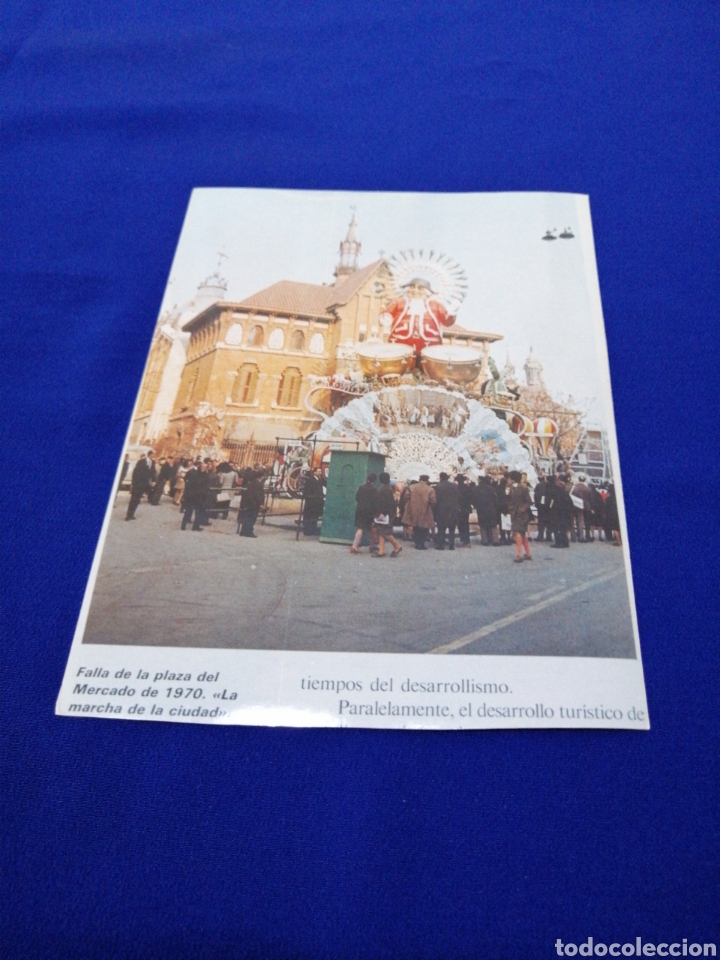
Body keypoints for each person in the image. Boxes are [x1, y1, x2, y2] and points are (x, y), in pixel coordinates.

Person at [379, 278, 456, 363]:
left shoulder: (435, 305)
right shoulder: (399, 302)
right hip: (400, 344)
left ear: (427, 292)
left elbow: (447, 321)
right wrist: (385, 318)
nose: (415, 290)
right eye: (412, 287)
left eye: (420, 288)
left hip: (429, 346)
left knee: (427, 369)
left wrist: (452, 312)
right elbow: (387, 312)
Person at [402, 475, 436, 550]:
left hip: (413, 509)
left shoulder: (411, 487)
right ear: (427, 480)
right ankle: (422, 543)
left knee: (415, 526)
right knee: (424, 528)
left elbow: (406, 497)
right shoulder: (430, 489)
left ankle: (417, 542)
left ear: (419, 479)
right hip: (425, 510)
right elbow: (432, 501)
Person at [372, 473, 402, 558]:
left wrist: (380, 513)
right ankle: (381, 551)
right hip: (387, 513)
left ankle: (397, 546)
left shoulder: (384, 489)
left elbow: (385, 503)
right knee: (381, 531)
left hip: (384, 514)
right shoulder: (388, 488)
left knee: (385, 532)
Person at [507, 470, 533, 562]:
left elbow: (529, 501)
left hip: (522, 514)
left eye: (509, 478)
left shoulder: (523, 488)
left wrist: (522, 509)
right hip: (515, 513)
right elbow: (509, 500)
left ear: (513, 479)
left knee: (518, 533)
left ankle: (519, 555)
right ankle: (528, 554)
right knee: (522, 534)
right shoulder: (510, 488)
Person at [350, 473, 379, 554]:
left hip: (360, 509)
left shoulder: (361, 487)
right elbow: (375, 502)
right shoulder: (374, 490)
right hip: (368, 511)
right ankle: (354, 547)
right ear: (375, 480)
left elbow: (357, 498)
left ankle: (372, 545)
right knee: (364, 528)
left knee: (365, 528)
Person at [125, 449, 156, 520]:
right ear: (150, 454)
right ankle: (128, 515)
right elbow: (135, 472)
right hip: (138, 483)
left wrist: (154, 480)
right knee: (133, 499)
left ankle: (132, 514)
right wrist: (133, 483)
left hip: (144, 484)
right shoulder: (141, 461)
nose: (154, 455)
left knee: (137, 499)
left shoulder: (153, 462)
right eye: (154, 454)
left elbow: (153, 472)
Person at [181, 458, 209, 531]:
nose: (203, 468)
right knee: (194, 512)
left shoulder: (197, 474)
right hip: (196, 496)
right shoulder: (204, 476)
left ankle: (187, 526)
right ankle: (188, 526)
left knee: (192, 512)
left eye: (204, 467)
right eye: (202, 467)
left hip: (195, 496)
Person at [434, 472, 459, 550]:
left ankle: (441, 545)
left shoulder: (438, 486)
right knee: (452, 528)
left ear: (440, 477)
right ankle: (451, 545)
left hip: (441, 509)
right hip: (453, 509)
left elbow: (436, 499)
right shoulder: (454, 486)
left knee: (441, 528)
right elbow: (458, 497)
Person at [237, 469, 265, 537]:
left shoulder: (252, 482)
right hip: (254, 503)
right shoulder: (259, 484)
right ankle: (249, 531)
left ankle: (243, 531)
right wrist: (261, 503)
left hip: (249, 502)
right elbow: (258, 495)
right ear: (261, 477)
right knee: (252, 518)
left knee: (247, 517)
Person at [550, 474, 573, 548]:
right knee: (563, 529)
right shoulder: (566, 494)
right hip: (565, 514)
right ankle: (565, 542)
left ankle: (558, 543)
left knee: (557, 529)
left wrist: (551, 509)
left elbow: (553, 503)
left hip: (557, 513)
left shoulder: (556, 494)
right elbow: (570, 504)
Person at [473, 476, 497, 546]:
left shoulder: (476, 489)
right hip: (491, 508)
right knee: (491, 523)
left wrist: (476, 506)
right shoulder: (491, 488)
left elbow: (474, 499)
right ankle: (491, 539)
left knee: (482, 524)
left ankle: (484, 540)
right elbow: (495, 499)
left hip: (481, 509)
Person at [302, 468, 324, 536]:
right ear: (314, 472)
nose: (320, 473)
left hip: (317, 501)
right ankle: (307, 530)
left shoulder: (320, 480)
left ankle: (313, 530)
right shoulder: (310, 480)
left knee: (315, 516)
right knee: (309, 516)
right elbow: (306, 490)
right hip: (311, 501)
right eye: (318, 471)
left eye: (320, 471)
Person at [571, 473, 592, 542]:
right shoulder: (588, 489)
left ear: (578, 479)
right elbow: (590, 498)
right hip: (585, 506)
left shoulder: (575, 488)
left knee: (574, 520)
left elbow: (572, 496)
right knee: (582, 521)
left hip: (575, 505)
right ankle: (583, 535)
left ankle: (574, 535)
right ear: (584, 480)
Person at [455, 475, 473, 547]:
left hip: (459, 508)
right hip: (466, 508)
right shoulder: (467, 488)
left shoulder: (456, 488)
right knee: (466, 524)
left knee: (460, 524)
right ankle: (467, 540)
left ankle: (462, 538)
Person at [533, 473, 551, 542]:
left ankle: (540, 536)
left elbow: (536, 495)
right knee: (548, 521)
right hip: (548, 506)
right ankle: (548, 536)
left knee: (541, 521)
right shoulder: (548, 485)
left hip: (540, 506)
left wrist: (537, 503)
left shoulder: (538, 486)